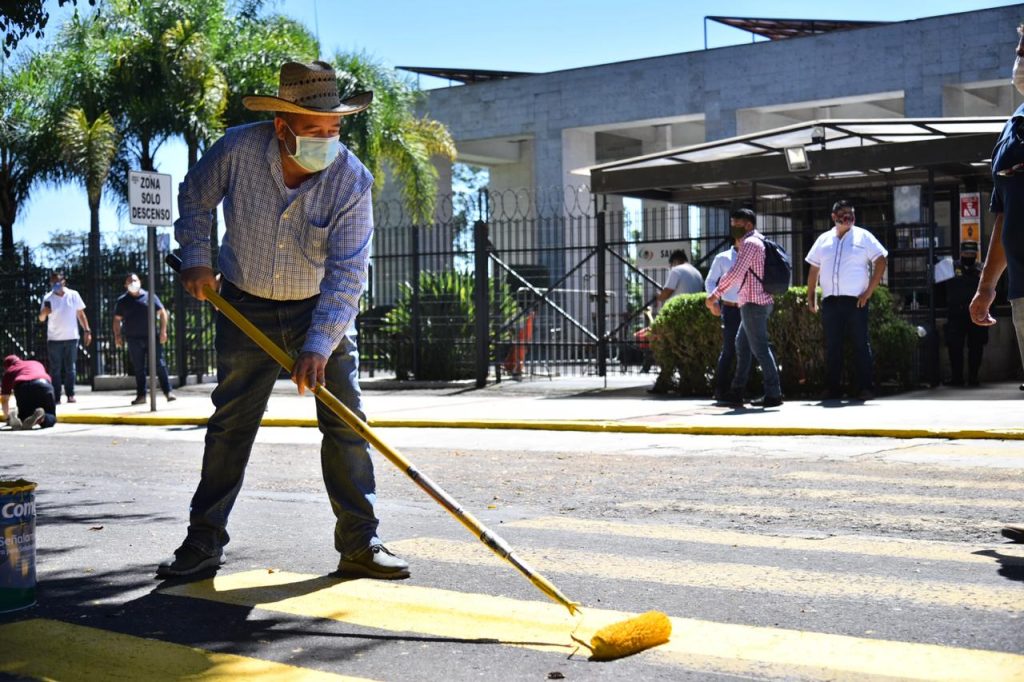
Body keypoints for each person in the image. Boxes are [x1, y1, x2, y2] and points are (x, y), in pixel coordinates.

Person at [160, 61, 409, 580]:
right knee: (230, 426)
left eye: (334, 129)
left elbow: (347, 273)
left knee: (346, 425)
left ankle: (360, 543)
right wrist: (198, 257)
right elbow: (195, 198)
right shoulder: (236, 150)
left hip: (320, 310)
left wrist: (319, 345)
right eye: (314, 129)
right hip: (243, 304)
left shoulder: (351, 180)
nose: (326, 139)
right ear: (281, 126)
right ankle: (202, 543)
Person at [970, 23, 1024, 545]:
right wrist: (987, 286)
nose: (1020, 61)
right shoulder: (1013, 128)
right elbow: (1004, 220)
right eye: (1020, 50)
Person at [805, 201, 888, 401]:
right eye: (843, 213)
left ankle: (865, 388)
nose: (848, 216)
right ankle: (832, 388)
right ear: (833, 216)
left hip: (856, 301)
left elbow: (881, 261)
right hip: (831, 301)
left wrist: (868, 292)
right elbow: (814, 269)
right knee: (833, 346)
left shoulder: (863, 236)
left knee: (860, 344)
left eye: (851, 212)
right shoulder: (824, 239)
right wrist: (811, 297)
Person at [705, 208, 782, 408]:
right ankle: (737, 391)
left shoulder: (750, 243)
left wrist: (714, 295)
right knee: (742, 345)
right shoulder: (761, 240)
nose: (733, 228)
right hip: (755, 302)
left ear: (748, 224)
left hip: (753, 303)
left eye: (736, 224)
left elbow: (735, 273)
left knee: (760, 349)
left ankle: (773, 393)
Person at [112, 273, 177, 405]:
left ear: (140, 282)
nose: (132, 283)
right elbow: (117, 320)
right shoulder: (122, 301)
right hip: (133, 338)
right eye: (129, 281)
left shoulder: (150, 296)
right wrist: (117, 336)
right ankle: (141, 396)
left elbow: (163, 313)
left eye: (134, 280)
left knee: (160, 364)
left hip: (152, 337)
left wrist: (164, 331)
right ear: (125, 285)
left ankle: (168, 392)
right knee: (138, 368)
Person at [648, 250, 705, 393]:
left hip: (677, 316)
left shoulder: (676, 270)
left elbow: (667, 291)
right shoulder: (696, 272)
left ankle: (666, 383)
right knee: (690, 350)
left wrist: (659, 297)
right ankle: (695, 383)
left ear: (674, 261)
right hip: (695, 317)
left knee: (670, 348)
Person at [38, 272, 91, 403]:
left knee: (70, 368)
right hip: (54, 339)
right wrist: (43, 313)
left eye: (58, 281)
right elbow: (41, 319)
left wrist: (87, 330)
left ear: (64, 281)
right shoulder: (48, 298)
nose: (56, 284)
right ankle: (56, 395)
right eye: (53, 282)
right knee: (55, 369)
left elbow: (81, 314)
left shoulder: (73, 295)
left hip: (72, 337)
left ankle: (70, 394)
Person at [704, 238, 744, 400]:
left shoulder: (756, 254)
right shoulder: (723, 257)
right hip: (731, 309)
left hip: (750, 308)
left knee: (752, 350)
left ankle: (743, 388)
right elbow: (710, 280)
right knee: (729, 349)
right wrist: (713, 301)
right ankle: (720, 389)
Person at [942, 244, 987, 387]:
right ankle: (957, 378)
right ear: (961, 253)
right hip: (956, 314)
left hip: (977, 314)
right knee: (955, 347)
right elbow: (937, 288)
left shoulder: (982, 269)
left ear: (976, 255)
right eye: (966, 253)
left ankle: (973, 378)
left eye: (971, 254)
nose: (969, 256)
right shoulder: (950, 267)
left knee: (976, 347)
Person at [2, 355, 57, 430]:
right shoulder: (36, 363)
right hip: (43, 385)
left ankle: (16, 417)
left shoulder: (9, 371)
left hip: (22, 387)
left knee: (25, 416)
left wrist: (7, 417)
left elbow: (5, 399)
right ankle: (42, 418)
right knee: (51, 416)